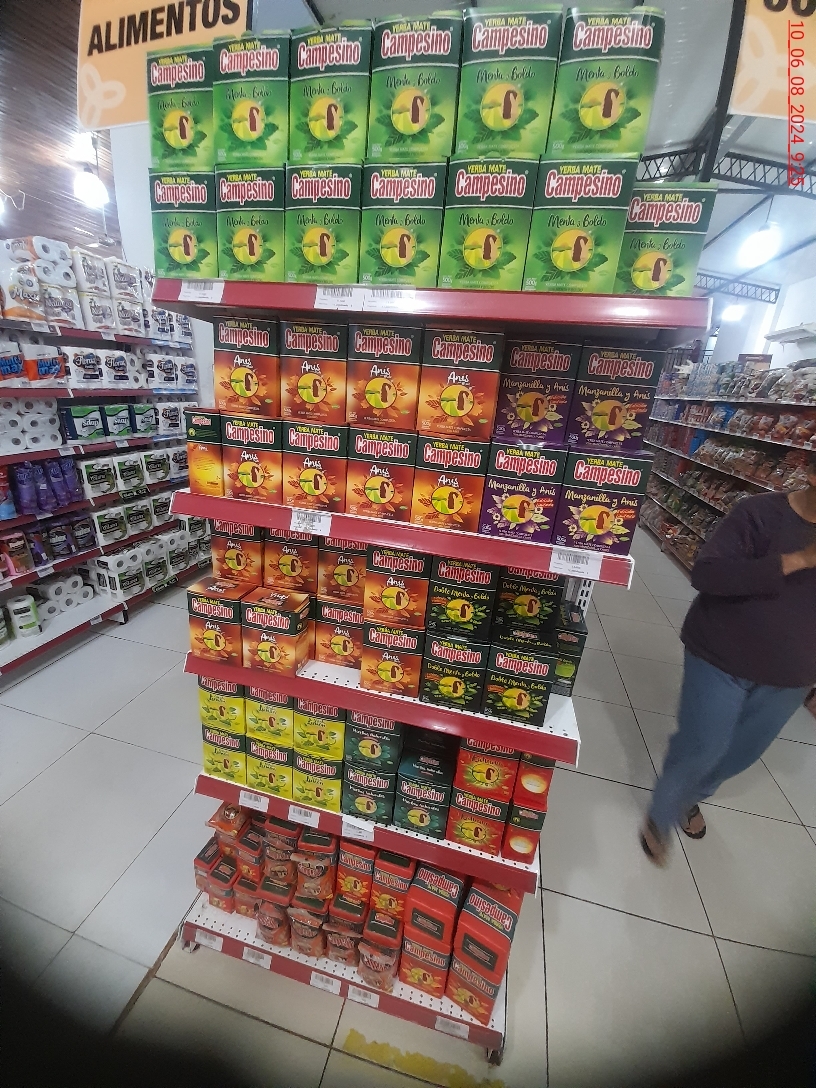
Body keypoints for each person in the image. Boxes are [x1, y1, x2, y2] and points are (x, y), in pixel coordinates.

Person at [641, 453, 816, 865]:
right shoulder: (759, 513)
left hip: (791, 675)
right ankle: (662, 815)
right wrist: (800, 560)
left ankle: (689, 797)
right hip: (720, 655)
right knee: (703, 745)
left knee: (741, 754)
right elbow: (709, 575)